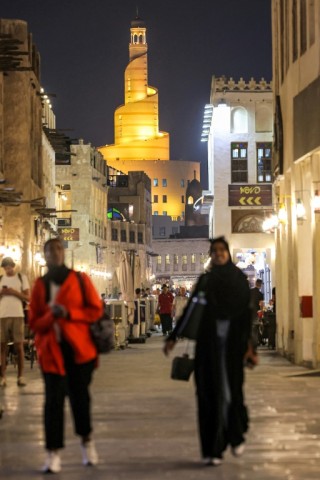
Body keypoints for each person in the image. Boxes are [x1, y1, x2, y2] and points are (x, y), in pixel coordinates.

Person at [164, 236, 258, 466]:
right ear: (211, 255)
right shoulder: (206, 281)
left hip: (233, 346)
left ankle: (235, 435)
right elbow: (191, 310)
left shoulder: (238, 280)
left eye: (221, 250)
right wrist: (174, 336)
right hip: (208, 347)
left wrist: (251, 347)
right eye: (214, 251)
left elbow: (247, 316)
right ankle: (211, 449)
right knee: (207, 396)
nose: (218, 254)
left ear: (227, 253)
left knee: (231, 392)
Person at [29, 238, 103, 473]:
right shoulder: (41, 285)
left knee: (80, 400)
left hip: (79, 351)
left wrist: (69, 312)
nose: (56, 253)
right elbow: (34, 322)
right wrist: (52, 315)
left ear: (64, 252)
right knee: (53, 403)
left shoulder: (80, 280)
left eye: (59, 248)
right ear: (45, 255)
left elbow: (95, 310)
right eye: (50, 250)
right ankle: (53, 453)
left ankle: (87, 442)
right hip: (51, 352)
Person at [0, 256, 30, 387]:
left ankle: (21, 376)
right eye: (5, 267)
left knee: (19, 346)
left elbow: (28, 298)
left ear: (13, 266)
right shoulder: (0, 279)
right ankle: (3, 377)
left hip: (17, 315)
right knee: (2, 347)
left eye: (9, 266)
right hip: (2, 316)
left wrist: (13, 292)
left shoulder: (21, 278)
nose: (8, 269)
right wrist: (2, 293)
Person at [250, 279, 264, 347]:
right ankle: (255, 342)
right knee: (256, 328)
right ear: (260, 285)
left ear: (255, 283)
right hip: (256, 313)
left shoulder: (250, 291)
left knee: (251, 328)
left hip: (250, 312)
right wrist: (262, 313)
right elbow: (261, 304)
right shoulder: (260, 294)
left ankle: (252, 342)